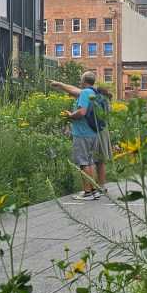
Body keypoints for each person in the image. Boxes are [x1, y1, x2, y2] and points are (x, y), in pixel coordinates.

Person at [50, 72, 103, 200]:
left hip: (82, 133)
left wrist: (70, 115)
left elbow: (82, 112)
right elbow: (73, 89)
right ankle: (94, 190)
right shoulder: (95, 93)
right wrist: (59, 84)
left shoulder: (84, 93)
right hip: (93, 133)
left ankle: (87, 192)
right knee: (90, 162)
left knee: (83, 162)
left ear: (83, 80)